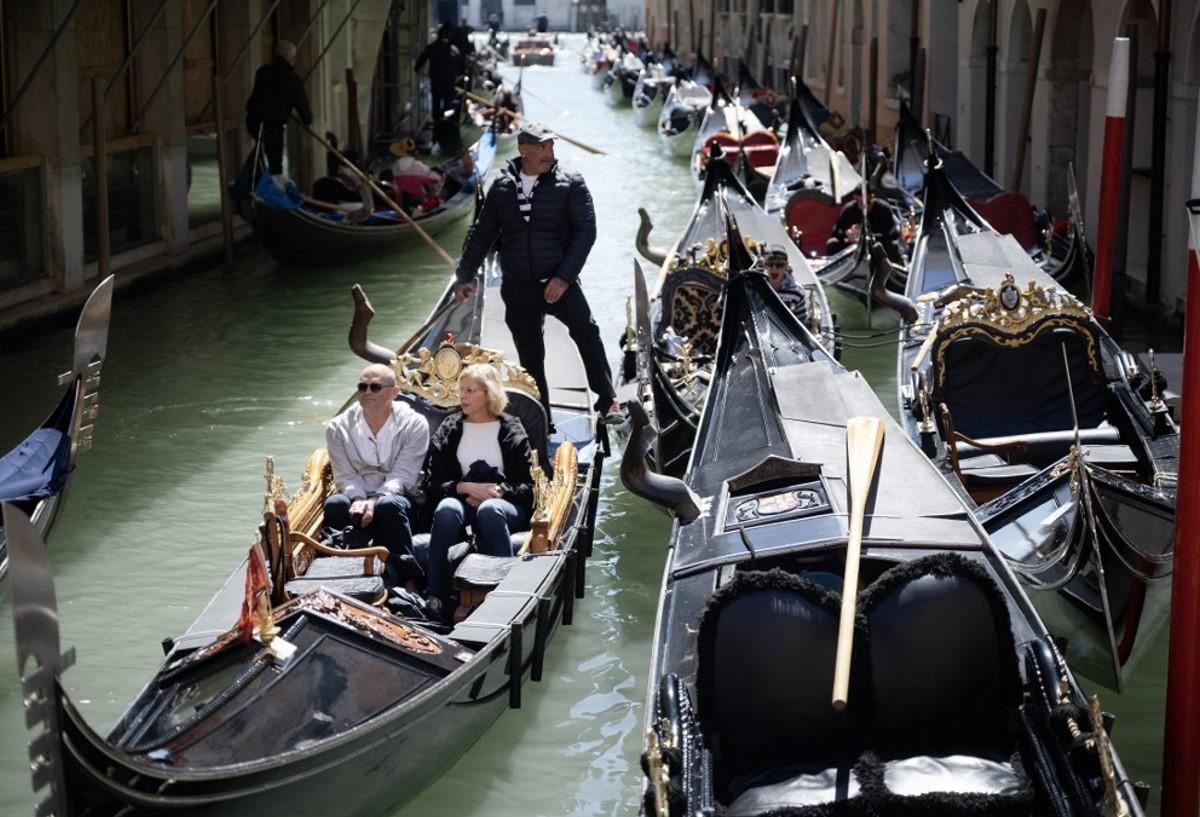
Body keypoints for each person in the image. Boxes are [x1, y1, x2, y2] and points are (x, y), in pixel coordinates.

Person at [453, 123, 619, 423]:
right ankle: (543, 418)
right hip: (518, 287)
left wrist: (564, 278)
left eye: (551, 146)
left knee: (586, 331)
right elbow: (482, 234)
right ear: (523, 149)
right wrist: (464, 277)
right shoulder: (502, 189)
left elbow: (586, 233)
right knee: (531, 357)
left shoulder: (571, 183)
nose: (549, 152)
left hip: (560, 283)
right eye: (541, 147)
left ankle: (607, 401)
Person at [423, 364, 535, 620]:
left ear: (488, 393)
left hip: (504, 505)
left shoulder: (511, 429)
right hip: (461, 501)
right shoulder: (450, 428)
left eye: (470, 390)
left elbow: (528, 485)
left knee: (489, 510)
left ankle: (504, 594)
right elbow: (434, 482)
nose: (462, 396)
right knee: (446, 509)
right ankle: (434, 595)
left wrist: (498, 491)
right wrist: (463, 487)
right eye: (460, 390)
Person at [324, 363, 429, 586]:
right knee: (334, 504)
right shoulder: (337, 427)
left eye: (375, 387)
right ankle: (340, 575)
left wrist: (375, 500)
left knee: (388, 506)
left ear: (394, 392)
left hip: (401, 495)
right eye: (362, 387)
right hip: (357, 494)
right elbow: (344, 475)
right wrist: (359, 499)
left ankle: (409, 580)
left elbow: (403, 474)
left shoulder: (415, 424)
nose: (367, 392)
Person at [245, 40, 313, 188]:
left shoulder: (262, 71)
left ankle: (260, 184)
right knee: (275, 161)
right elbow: (301, 103)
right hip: (272, 124)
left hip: (254, 120)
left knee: (260, 154)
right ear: (291, 59)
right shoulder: (292, 79)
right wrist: (307, 122)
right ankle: (273, 189)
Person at [826, 190, 906, 264]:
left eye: (869, 202)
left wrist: (868, 237)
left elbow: (893, 233)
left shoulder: (883, 208)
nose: (866, 206)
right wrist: (848, 234)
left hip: (877, 243)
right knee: (832, 243)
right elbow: (836, 231)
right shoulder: (849, 210)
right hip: (853, 244)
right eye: (862, 203)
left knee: (892, 247)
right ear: (856, 198)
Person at [415, 25, 462, 128]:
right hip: (447, 81)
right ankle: (445, 123)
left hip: (438, 80)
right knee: (447, 103)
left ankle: (438, 123)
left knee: (437, 102)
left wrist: (417, 68)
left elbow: (422, 58)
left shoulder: (433, 47)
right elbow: (459, 65)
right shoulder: (454, 50)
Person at [760, 244, 810, 324]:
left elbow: (801, 323)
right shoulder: (757, 287)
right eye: (770, 264)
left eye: (779, 265)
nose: (774, 268)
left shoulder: (797, 291)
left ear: (786, 266)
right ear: (765, 265)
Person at [389, 138, 442, 211]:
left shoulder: (395, 166)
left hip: (400, 200)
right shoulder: (419, 166)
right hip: (418, 200)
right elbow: (436, 179)